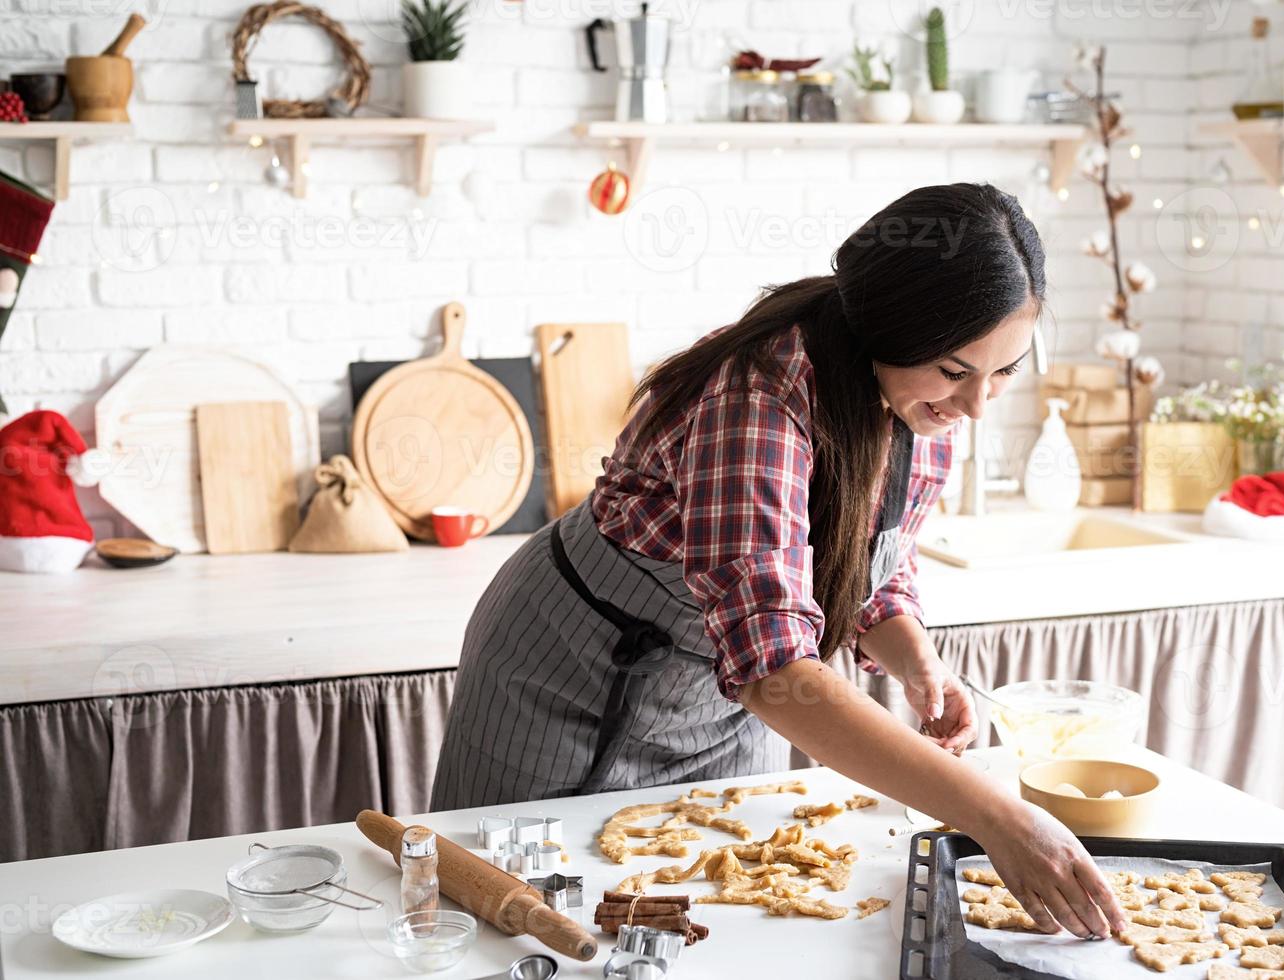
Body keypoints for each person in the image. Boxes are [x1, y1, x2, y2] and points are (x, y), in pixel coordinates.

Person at [432, 182, 1127, 939]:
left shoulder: (917, 400)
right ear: (886, 327)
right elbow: (772, 667)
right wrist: (992, 813)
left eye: (1003, 373)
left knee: (712, 915)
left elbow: (870, 562)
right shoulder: (756, 398)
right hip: (572, 674)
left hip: (722, 701)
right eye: (956, 371)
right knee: (514, 918)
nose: (976, 407)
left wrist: (913, 656)